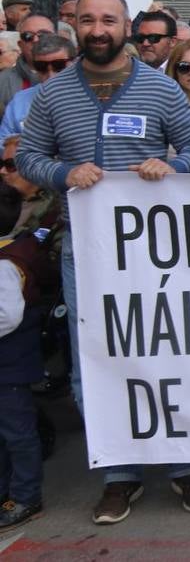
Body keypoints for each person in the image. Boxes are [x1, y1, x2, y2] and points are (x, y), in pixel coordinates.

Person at [17, 0, 190, 525]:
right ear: (75, 26)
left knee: (168, 353)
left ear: (126, 26)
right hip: (87, 255)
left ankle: (181, 464)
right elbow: (31, 157)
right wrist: (61, 173)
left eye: (109, 19)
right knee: (98, 362)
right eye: (87, 20)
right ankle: (119, 471)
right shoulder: (53, 97)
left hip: (156, 254)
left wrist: (173, 167)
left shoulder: (158, 88)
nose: (98, 29)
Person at [0, 157, 47, 533]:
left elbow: (8, 316)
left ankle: (26, 495)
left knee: (18, 433)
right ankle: (7, 491)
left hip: (10, 365)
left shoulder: (6, 261)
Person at [0, 35, 75, 142]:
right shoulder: (20, 101)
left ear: (75, 63)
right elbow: (2, 143)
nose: (51, 75)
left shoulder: (94, 97)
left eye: (59, 66)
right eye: (42, 67)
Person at [0, 14, 55, 119]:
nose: (35, 40)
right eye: (28, 36)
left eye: (43, 34)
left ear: (57, 39)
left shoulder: (77, 75)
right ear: (20, 44)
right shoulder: (2, 81)